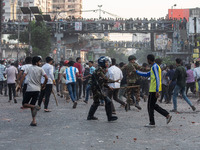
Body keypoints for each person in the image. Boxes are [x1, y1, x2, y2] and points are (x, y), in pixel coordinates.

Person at [136, 54, 172, 127]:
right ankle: (167, 115)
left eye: (147, 59)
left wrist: (157, 91)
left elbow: (158, 79)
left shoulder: (155, 67)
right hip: (153, 89)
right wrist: (137, 71)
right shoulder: (153, 67)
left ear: (149, 59)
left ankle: (152, 123)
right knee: (153, 105)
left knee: (150, 106)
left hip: (154, 90)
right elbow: (147, 74)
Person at [87, 56, 119, 122]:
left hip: (96, 87)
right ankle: (109, 117)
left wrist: (108, 87)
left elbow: (102, 81)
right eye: (106, 62)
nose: (108, 64)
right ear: (102, 63)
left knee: (96, 102)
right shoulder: (100, 70)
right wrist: (114, 81)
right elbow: (105, 79)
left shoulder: (102, 69)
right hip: (96, 88)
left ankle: (90, 116)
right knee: (108, 101)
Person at [18, 56, 48, 126]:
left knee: (24, 104)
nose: (40, 63)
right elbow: (46, 78)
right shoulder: (41, 69)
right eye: (39, 62)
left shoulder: (28, 68)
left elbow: (23, 76)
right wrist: (43, 85)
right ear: (37, 62)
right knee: (32, 105)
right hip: (37, 89)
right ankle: (34, 121)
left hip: (29, 88)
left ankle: (35, 108)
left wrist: (19, 84)